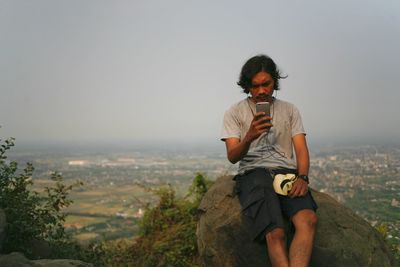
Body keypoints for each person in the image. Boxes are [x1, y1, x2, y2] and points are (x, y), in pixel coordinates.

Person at [221, 54, 318, 267]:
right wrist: (249, 136)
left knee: (308, 220)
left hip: (287, 173)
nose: (261, 91)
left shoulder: (289, 110)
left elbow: (301, 149)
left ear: (275, 81)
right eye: (255, 86)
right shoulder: (234, 112)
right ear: (247, 87)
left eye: (266, 84)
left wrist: (303, 177)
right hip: (254, 174)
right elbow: (232, 156)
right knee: (275, 233)